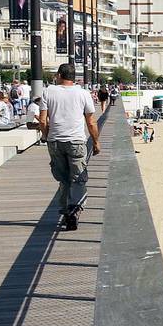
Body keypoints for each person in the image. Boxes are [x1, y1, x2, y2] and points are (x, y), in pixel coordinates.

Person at [39, 64, 100, 232]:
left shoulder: (48, 91)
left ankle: (66, 209)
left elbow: (43, 121)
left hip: (55, 141)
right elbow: (91, 121)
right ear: (75, 78)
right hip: (76, 141)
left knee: (63, 178)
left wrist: (45, 136)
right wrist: (96, 142)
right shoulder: (83, 93)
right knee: (78, 178)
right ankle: (74, 209)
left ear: (59, 75)